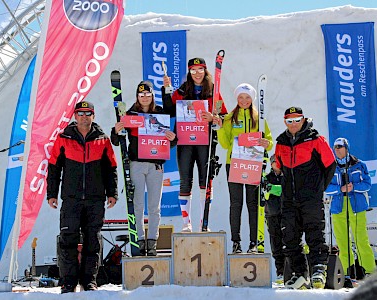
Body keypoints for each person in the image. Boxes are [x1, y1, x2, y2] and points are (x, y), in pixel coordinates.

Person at [47, 101, 118, 293]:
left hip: (96, 199)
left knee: (92, 241)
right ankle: (68, 282)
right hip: (71, 198)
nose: (84, 117)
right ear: (74, 116)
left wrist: (112, 193)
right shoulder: (63, 138)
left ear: (93, 116)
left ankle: (89, 281)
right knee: (68, 239)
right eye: (80, 113)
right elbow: (54, 167)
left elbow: (111, 168)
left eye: (88, 113)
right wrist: (51, 194)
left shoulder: (103, 139)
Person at [111, 81, 176, 256]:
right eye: (141, 95)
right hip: (136, 163)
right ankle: (139, 240)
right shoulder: (130, 114)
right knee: (138, 204)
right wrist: (116, 131)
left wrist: (172, 138)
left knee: (154, 206)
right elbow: (117, 141)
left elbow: (168, 141)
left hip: (156, 164)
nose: (145, 97)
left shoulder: (160, 113)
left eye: (148, 94)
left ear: (152, 95)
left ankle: (152, 242)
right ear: (137, 97)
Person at [162, 57, 227, 232]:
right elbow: (169, 109)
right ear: (189, 73)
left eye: (200, 69)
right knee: (185, 181)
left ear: (205, 71)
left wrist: (213, 118)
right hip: (185, 140)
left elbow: (223, 118)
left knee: (205, 182)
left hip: (205, 142)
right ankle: (186, 223)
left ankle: (203, 222)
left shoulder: (214, 91)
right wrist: (166, 88)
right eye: (193, 70)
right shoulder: (183, 90)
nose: (197, 73)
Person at [274, 106, 336, 289]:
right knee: (290, 236)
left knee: (314, 232)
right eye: (289, 120)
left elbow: (330, 165)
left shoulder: (316, 139)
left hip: (310, 198)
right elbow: (278, 167)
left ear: (303, 119)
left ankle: (318, 269)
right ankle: (299, 273)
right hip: (288, 199)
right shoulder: (281, 142)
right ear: (285, 121)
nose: (293, 124)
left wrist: (318, 190)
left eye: (297, 119)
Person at [215, 83, 272, 253]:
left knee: (253, 203)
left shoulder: (259, 118)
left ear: (252, 99)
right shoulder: (230, 117)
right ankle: (236, 242)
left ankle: (254, 242)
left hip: (253, 164)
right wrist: (219, 127)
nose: (244, 100)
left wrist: (266, 143)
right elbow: (225, 144)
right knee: (236, 203)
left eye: (247, 97)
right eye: (241, 97)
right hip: (234, 163)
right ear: (237, 98)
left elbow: (268, 141)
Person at [325, 137, 376, 284]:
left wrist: (355, 187)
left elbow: (367, 184)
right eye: (335, 147)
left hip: (356, 205)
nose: (337, 150)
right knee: (342, 241)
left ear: (347, 148)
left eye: (340, 147)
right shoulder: (331, 167)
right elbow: (326, 188)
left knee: (361, 239)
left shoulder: (359, 165)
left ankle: (369, 271)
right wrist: (339, 189)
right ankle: (346, 273)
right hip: (338, 206)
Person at [264, 154, 285, 284]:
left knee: (288, 242)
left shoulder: (287, 176)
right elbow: (265, 191)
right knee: (275, 243)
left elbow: (287, 190)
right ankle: (280, 272)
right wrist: (278, 190)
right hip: (272, 214)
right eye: (274, 162)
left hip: (286, 213)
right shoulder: (267, 178)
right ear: (271, 164)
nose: (277, 164)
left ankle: (290, 271)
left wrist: (275, 189)